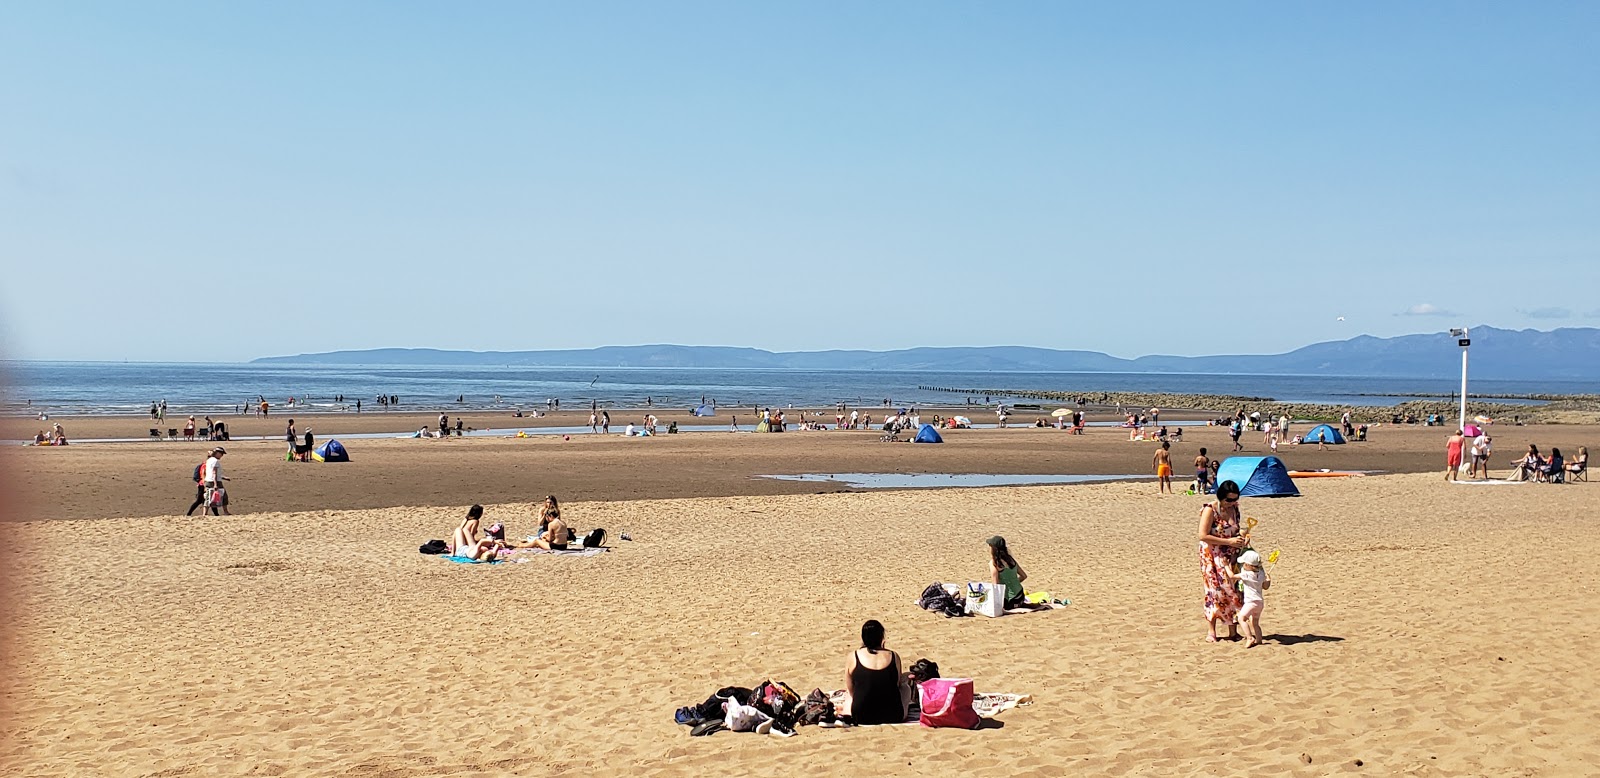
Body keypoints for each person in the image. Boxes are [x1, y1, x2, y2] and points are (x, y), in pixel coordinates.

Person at [1198, 480, 1249, 642]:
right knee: (1215, 591)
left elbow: (1235, 529)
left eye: (1235, 499)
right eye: (1229, 500)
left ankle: (1233, 631)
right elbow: (1203, 535)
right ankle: (1211, 631)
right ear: (1221, 497)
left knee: (1233, 590)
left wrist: (1241, 539)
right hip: (1212, 555)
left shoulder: (1235, 509)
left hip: (1231, 555)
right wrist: (1228, 542)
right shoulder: (1210, 510)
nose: (1232, 503)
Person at [843, 620, 911, 726]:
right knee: (905, 687)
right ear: (881, 637)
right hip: (893, 715)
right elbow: (896, 685)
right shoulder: (893, 656)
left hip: (860, 716)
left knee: (848, 694)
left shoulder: (853, 656)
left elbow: (851, 690)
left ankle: (851, 711)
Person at [1227, 549, 1270, 648]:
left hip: (1251, 602)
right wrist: (1268, 579)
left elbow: (1232, 576)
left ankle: (1250, 637)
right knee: (1255, 623)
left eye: (1244, 564)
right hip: (1260, 602)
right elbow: (1266, 586)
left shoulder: (1247, 574)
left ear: (1249, 565)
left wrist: (1225, 566)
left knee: (1241, 619)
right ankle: (1259, 640)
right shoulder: (1261, 574)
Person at [985, 535, 1043, 610]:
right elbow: (1024, 576)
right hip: (1020, 597)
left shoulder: (994, 563)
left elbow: (995, 586)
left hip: (1010, 602)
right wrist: (1014, 582)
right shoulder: (1011, 560)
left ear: (994, 548)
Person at [201, 447, 228, 515]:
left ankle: (205, 514)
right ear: (217, 453)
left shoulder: (209, 460)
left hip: (208, 480)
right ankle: (226, 512)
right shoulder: (215, 461)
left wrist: (223, 477)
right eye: (221, 454)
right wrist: (216, 484)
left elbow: (209, 472)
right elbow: (214, 473)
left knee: (208, 497)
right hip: (214, 481)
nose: (222, 456)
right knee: (224, 496)